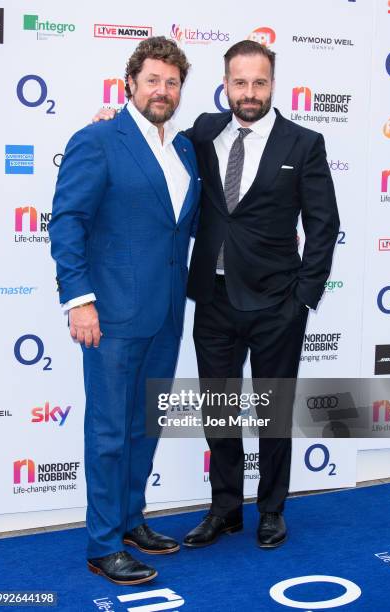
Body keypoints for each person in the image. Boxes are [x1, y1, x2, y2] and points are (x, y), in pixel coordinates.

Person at [93, 40, 339, 551]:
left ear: (273, 84)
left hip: (278, 304)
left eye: (259, 82)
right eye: (240, 82)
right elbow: (148, 140)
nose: (249, 93)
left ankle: (271, 510)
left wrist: (305, 298)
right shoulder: (201, 134)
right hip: (213, 299)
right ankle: (225, 509)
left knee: (272, 413)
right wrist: (106, 122)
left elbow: (323, 225)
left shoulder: (304, 143)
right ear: (225, 85)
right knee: (220, 412)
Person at [49, 37, 201, 585]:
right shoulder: (97, 139)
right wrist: (79, 300)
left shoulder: (184, 150)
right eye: (153, 80)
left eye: (172, 82)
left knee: (144, 429)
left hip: (164, 316)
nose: (163, 90)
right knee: (110, 432)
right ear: (130, 84)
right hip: (109, 317)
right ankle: (102, 543)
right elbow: (67, 222)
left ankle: (132, 521)